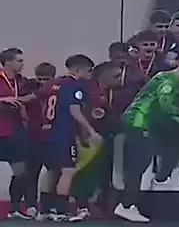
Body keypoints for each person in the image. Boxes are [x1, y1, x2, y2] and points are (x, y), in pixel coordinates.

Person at [114, 53, 179, 223]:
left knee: (159, 152)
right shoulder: (169, 82)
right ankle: (126, 206)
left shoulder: (166, 77)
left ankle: (160, 180)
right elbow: (166, 107)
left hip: (146, 122)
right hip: (139, 122)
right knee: (138, 165)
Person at [37, 54, 100, 220]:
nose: (90, 74)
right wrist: (91, 131)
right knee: (68, 171)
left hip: (47, 133)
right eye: (88, 71)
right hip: (63, 134)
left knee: (51, 170)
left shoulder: (53, 84)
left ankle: (44, 210)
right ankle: (61, 211)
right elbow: (74, 110)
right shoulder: (74, 86)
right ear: (79, 70)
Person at [69, 61, 124, 222]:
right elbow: (84, 115)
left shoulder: (111, 92)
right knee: (87, 172)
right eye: (116, 76)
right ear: (104, 76)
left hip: (105, 137)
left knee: (103, 172)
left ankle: (101, 204)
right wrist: (86, 137)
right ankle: (81, 207)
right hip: (89, 138)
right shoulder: (90, 93)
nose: (120, 79)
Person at [23, 62, 57, 218]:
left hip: (51, 139)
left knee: (53, 172)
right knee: (31, 173)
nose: (43, 82)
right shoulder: (29, 89)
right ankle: (31, 205)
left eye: (46, 79)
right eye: (40, 79)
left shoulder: (57, 91)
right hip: (33, 137)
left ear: (53, 77)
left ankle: (48, 206)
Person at [0, 48, 30, 219]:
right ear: (8, 62)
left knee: (21, 171)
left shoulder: (22, 81)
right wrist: (3, 100)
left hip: (15, 131)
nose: (22, 64)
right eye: (19, 61)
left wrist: (22, 101)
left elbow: (33, 95)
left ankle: (15, 209)